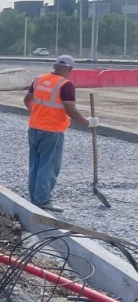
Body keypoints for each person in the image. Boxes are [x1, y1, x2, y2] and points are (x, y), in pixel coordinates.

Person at [23, 55, 98, 213]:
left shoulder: (39, 79)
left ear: (54, 65)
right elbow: (71, 111)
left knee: (35, 164)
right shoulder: (66, 85)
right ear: (70, 69)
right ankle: (42, 200)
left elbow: (27, 100)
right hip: (52, 131)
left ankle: (35, 197)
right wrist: (88, 122)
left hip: (34, 128)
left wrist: (37, 113)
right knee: (48, 166)